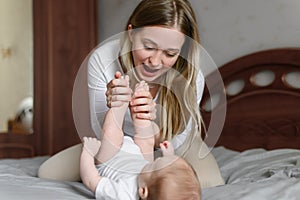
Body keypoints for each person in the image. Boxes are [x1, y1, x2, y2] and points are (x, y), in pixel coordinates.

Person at [38, 0, 224, 189]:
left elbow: (178, 140)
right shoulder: (103, 60)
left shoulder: (191, 76)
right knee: (47, 173)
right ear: (131, 32)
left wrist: (148, 128)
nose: (155, 62)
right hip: (118, 147)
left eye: (170, 53)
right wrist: (115, 110)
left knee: (208, 182)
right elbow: (101, 135)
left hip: (171, 145)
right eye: (149, 47)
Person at [80, 80, 200, 200]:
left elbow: (91, 180)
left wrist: (88, 152)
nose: (155, 160)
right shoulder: (149, 181)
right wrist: (169, 156)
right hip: (138, 157)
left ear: (142, 191)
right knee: (147, 141)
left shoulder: (123, 194)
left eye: (154, 165)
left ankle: (120, 103)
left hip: (111, 159)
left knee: (111, 133)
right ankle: (140, 103)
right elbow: (164, 172)